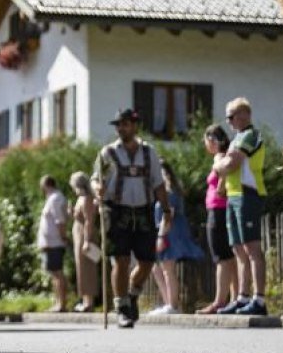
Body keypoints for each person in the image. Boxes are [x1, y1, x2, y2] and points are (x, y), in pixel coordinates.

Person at [91, 108, 172, 328]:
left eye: (125, 124)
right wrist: (97, 187)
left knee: (147, 261)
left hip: (144, 210)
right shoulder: (107, 153)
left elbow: (158, 183)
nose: (121, 128)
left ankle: (132, 294)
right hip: (116, 211)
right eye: (118, 125)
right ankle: (122, 308)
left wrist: (166, 209)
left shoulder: (149, 153)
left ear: (134, 125)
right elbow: (95, 179)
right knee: (121, 259)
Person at [214, 97, 268, 316]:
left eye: (231, 116)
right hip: (234, 195)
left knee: (252, 248)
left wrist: (217, 163)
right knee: (237, 248)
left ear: (244, 115)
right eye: (227, 117)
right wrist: (221, 169)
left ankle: (260, 300)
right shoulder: (237, 138)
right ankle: (242, 297)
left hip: (249, 193)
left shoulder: (250, 135)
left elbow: (231, 164)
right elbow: (225, 167)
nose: (228, 121)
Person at [149, 161, 204, 314]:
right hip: (167, 231)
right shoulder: (166, 192)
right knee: (157, 269)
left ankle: (172, 305)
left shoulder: (170, 193)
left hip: (170, 233)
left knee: (167, 269)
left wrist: (161, 236)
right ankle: (169, 303)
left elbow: (168, 216)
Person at [197, 124, 239, 314]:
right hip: (222, 209)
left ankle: (219, 301)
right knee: (230, 256)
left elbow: (224, 175)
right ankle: (236, 296)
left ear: (212, 140)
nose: (206, 145)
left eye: (206, 141)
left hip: (218, 209)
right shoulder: (224, 156)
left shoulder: (219, 158)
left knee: (221, 256)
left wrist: (221, 187)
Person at [36, 175, 68, 312]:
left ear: (46, 185)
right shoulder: (52, 198)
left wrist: (62, 236)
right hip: (51, 242)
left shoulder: (55, 198)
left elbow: (59, 220)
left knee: (57, 273)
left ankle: (61, 303)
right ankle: (58, 302)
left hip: (55, 242)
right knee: (55, 273)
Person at [69, 171, 99, 312]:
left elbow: (89, 221)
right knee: (81, 268)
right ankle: (85, 299)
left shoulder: (86, 199)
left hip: (85, 236)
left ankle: (89, 301)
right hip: (79, 234)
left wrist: (87, 240)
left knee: (87, 268)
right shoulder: (81, 198)